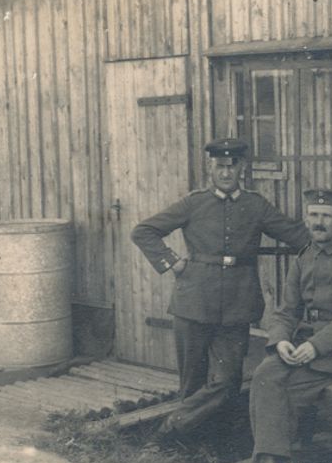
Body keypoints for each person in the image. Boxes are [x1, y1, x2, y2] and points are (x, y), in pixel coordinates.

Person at [131, 138, 309, 438]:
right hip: (193, 301)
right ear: (210, 167)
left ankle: (168, 432)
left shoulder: (256, 205)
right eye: (220, 166)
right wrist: (172, 261)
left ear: (242, 167)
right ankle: (192, 446)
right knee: (192, 382)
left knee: (227, 382)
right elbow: (144, 231)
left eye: (232, 166)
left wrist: (327, 230)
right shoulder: (194, 202)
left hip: (237, 304)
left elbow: (296, 235)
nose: (226, 173)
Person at [248, 189, 332, 463]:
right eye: (314, 215)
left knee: (283, 387)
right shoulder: (304, 257)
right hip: (305, 344)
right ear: (306, 218)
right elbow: (286, 311)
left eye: (327, 216)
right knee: (265, 374)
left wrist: (315, 347)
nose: (319, 222)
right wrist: (281, 341)